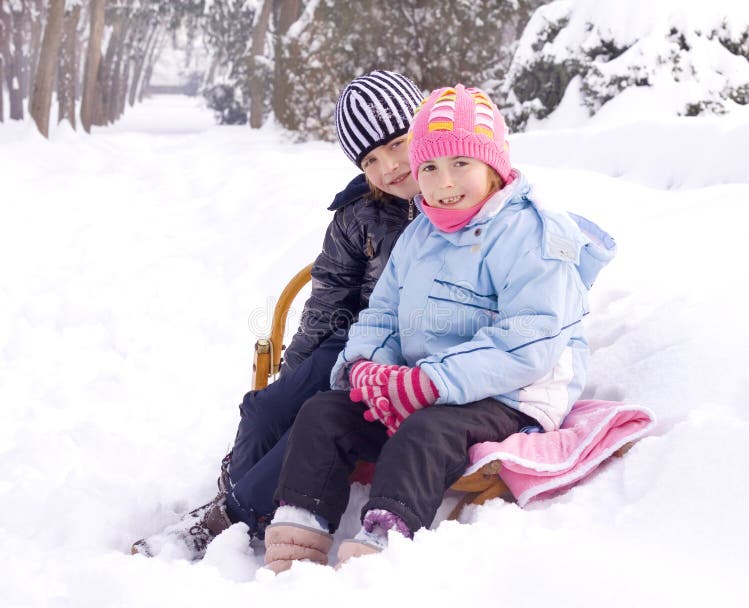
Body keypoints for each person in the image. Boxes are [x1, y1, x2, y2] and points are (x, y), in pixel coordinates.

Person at [262, 84, 617, 572]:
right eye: (429, 167)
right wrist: (367, 366)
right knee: (324, 412)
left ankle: (384, 537)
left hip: (510, 394)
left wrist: (433, 382)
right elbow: (383, 312)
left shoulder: (531, 235)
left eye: (460, 164)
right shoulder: (421, 233)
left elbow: (529, 341)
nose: (444, 182)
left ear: (493, 165)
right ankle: (299, 529)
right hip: (423, 382)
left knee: (425, 429)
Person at [131, 70, 424, 559]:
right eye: (370, 159)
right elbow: (329, 298)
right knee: (268, 407)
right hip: (350, 335)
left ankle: (226, 517)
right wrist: (295, 376)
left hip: (403, 350)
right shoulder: (358, 214)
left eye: (398, 144)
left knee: (312, 419)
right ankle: (240, 490)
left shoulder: (457, 194)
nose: (389, 166)